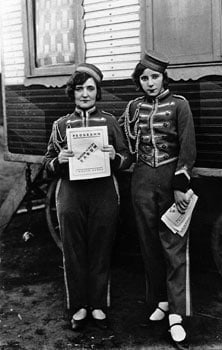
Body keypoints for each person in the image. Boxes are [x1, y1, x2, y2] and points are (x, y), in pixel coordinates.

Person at [44, 63, 131, 331]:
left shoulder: (110, 122)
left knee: (101, 248)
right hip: (71, 193)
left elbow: (127, 158)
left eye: (90, 89)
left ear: (97, 92)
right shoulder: (61, 125)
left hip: (103, 192)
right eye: (79, 88)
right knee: (73, 251)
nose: (85, 94)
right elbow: (46, 164)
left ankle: (98, 305)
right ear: (72, 92)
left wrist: (113, 156)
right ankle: (79, 306)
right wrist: (58, 159)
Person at [119, 50, 196, 349]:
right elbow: (127, 145)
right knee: (149, 245)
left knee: (174, 247)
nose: (150, 83)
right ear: (139, 81)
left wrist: (180, 182)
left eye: (154, 77)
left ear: (164, 77)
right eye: (144, 78)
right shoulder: (133, 108)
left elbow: (188, 148)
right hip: (141, 181)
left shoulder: (180, 105)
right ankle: (161, 301)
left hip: (170, 181)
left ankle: (177, 315)